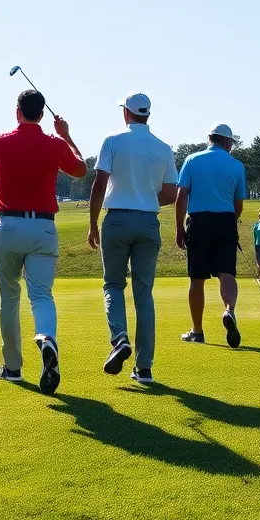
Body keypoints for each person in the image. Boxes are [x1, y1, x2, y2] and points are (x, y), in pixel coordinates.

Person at [0, 90, 87, 394]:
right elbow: (81, 169)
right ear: (42, 114)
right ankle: (46, 338)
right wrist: (66, 136)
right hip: (43, 227)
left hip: (9, 226)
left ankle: (13, 368)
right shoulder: (55, 144)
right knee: (41, 295)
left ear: (18, 111)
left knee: (9, 297)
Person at [88, 93, 178, 384]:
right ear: (147, 115)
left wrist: (92, 224)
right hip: (148, 222)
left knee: (113, 284)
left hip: (117, 219)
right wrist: (146, 197)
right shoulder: (163, 147)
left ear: (126, 113)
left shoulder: (112, 140)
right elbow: (171, 193)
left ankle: (119, 339)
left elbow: (100, 182)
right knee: (144, 295)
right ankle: (144, 368)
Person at [175, 123, 246, 348]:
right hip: (226, 220)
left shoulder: (192, 160)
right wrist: (230, 224)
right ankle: (229, 310)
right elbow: (238, 204)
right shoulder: (236, 165)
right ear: (227, 142)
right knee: (226, 274)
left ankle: (197, 331)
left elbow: (181, 196)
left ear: (209, 138)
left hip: (199, 221)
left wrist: (179, 228)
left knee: (197, 280)